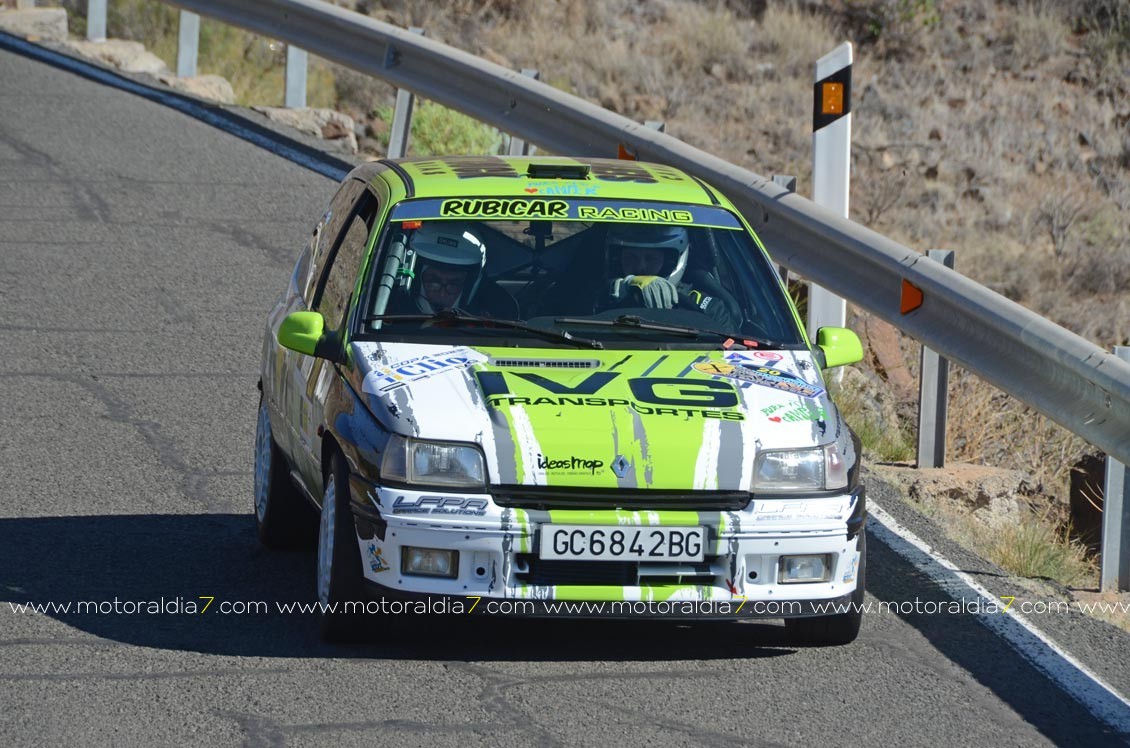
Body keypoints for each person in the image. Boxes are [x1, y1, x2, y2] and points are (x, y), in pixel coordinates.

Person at [602, 224, 740, 330]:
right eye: (631, 258)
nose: (640, 267)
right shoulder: (600, 297)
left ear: (671, 262)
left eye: (651, 259)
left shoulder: (709, 307)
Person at [390, 223, 517, 317]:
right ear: (416, 278)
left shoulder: (499, 311)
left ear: (471, 285)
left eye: (453, 284)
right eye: (433, 282)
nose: (442, 294)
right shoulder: (383, 308)